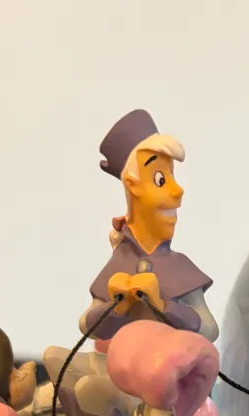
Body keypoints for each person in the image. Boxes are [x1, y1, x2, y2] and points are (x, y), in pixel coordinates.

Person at [81, 110, 217, 345]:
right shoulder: (120, 263)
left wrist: (164, 307)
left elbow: (209, 329)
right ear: (132, 185)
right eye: (160, 180)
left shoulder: (178, 267)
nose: (178, 190)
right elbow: (87, 326)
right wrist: (116, 308)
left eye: (172, 176)